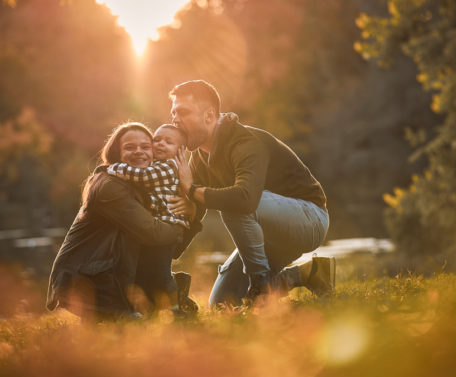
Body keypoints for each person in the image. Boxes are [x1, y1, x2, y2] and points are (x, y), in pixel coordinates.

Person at [169, 80, 334, 307]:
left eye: (183, 112)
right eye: (173, 113)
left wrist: (191, 190)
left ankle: (261, 287)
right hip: (266, 234)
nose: (175, 120)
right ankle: (309, 273)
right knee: (221, 303)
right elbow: (194, 214)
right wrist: (164, 260)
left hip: (310, 219)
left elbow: (245, 199)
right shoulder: (197, 159)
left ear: (208, 115)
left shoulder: (245, 141)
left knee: (235, 204)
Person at [46, 122, 199, 321]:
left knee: (153, 312)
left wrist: (188, 207)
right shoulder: (109, 185)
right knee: (135, 324)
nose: (139, 152)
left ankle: (164, 292)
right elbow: (153, 234)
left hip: (112, 270)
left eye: (146, 147)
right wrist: (184, 223)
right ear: (116, 152)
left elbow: (166, 247)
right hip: (87, 278)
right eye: (129, 147)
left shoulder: (143, 184)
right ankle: (152, 297)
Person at [104, 123, 197, 313]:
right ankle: (172, 294)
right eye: (157, 140)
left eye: (168, 142)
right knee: (151, 267)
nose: (161, 144)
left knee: (160, 272)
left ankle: (176, 308)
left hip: (169, 225)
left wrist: (114, 168)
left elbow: (144, 176)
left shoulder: (168, 167)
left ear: (179, 151)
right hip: (160, 224)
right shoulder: (157, 164)